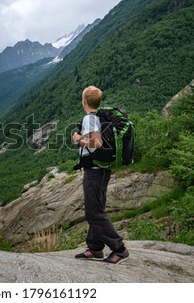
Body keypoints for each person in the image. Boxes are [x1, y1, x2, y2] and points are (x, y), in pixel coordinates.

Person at [72, 86, 129, 264]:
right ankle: (95, 248)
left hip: (95, 171)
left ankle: (119, 249)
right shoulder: (99, 116)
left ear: (84, 101)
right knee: (97, 208)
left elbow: (96, 142)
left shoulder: (89, 119)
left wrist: (78, 140)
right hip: (102, 168)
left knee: (93, 213)